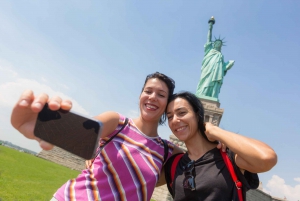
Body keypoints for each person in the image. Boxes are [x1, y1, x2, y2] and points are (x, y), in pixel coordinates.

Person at [11, 72, 183, 201]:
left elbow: (200, 158)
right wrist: (45, 125)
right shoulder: (117, 122)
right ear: (140, 96)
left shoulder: (167, 151)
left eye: (161, 94)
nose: (152, 97)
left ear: (167, 104)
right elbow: (78, 132)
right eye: (148, 91)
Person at [164, 91, 277, 201]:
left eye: (182, 113)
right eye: (169, 117)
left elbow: (267, 157)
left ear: (198, 115)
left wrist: (214, 131)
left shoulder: (229, 156)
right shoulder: (174, 165)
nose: (174, 120)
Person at [195, 17, 235, 100]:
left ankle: (213, 97)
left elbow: (223, 68)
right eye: (216, 43)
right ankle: (202, 95)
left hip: (216, 72)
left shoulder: (220, 55)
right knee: (205, 82)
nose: (218, 44)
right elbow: (209, 38)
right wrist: (210, 27)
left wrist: (227, 65)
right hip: (207, 70)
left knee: (215, 82)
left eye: (219, 44)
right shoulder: (209, 50)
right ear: (214, 44)